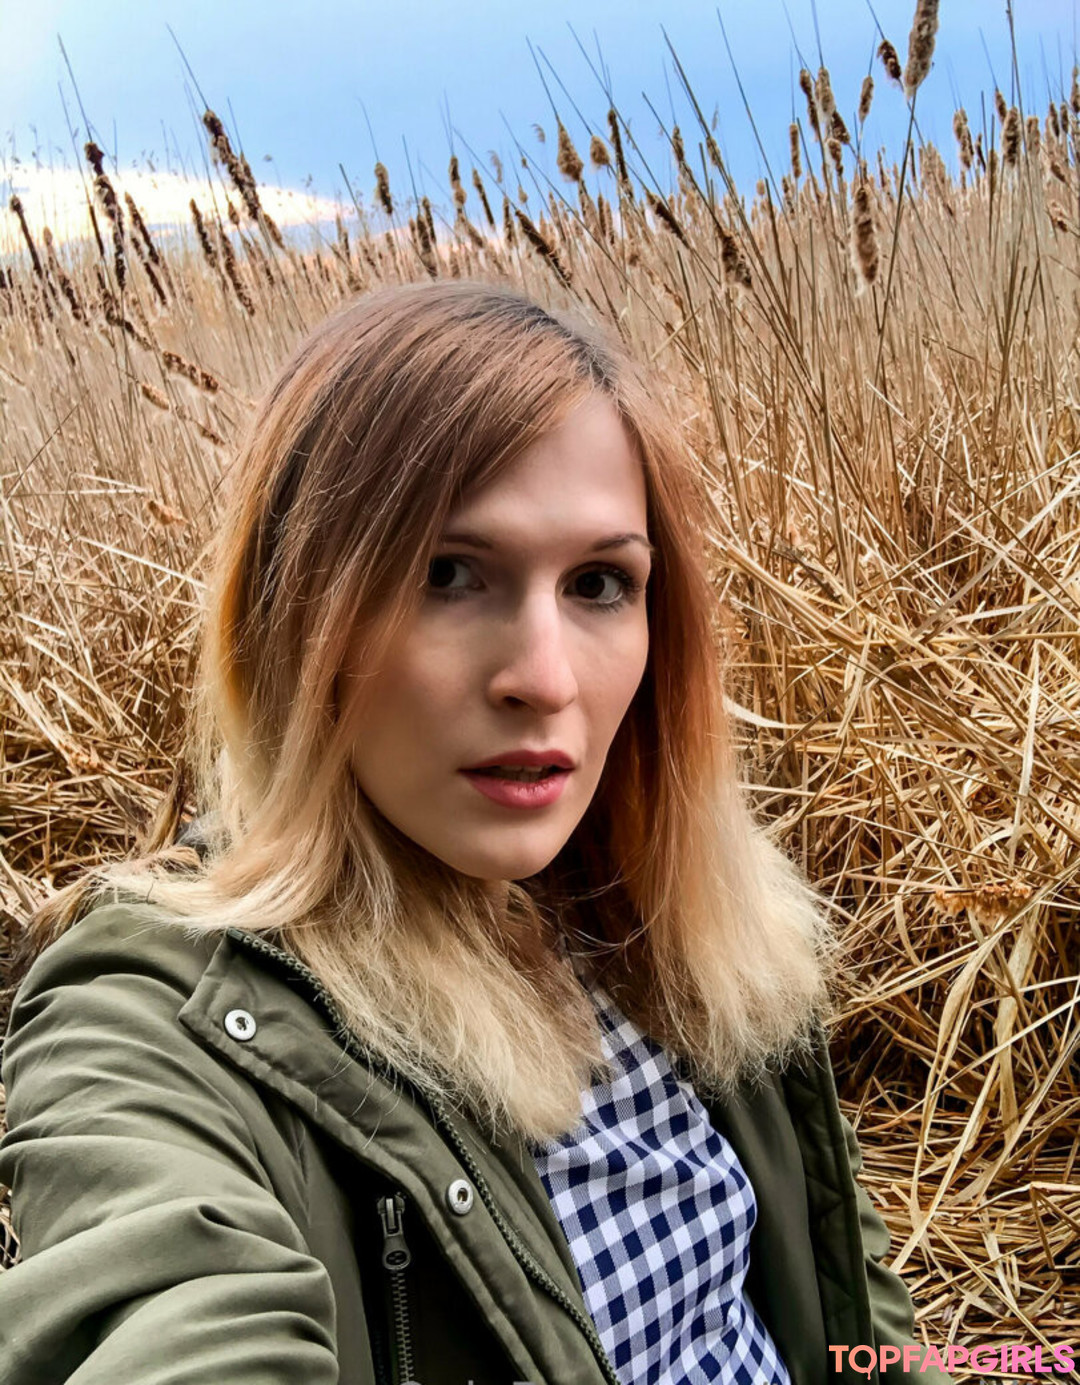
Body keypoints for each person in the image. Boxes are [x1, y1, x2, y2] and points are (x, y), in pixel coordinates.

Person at [0, 280, 947, 1385]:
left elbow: (851, 1306)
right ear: (294, 607)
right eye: (448, 574)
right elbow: (165, 1300)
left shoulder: (677, 914)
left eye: (600, 582)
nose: (545, 678)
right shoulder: (162, 1019)